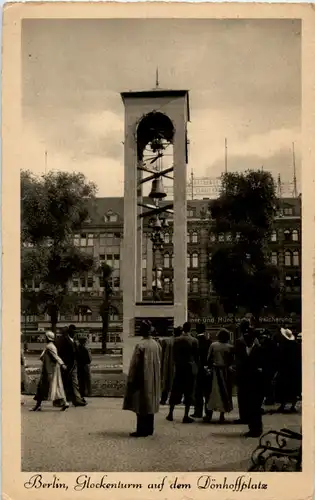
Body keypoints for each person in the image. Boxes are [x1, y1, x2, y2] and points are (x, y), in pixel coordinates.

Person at [123, 320, 161, 437]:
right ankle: (149, 428)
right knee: (150, 402)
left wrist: (131, 379)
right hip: (154, 376)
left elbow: (135, 364)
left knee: (141, 404)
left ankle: (141, 430)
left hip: (142, 378)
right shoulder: (156, 344)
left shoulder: (141, 345)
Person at [234, 319, 264, 437]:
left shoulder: (258, 349)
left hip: (255, 382)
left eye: (248, 337)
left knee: (255, 407)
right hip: (244, 381)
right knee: (247, 405)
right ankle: (252, 427)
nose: (246, 339)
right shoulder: (242, 347)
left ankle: (257, 429)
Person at [166, 322, 199, 423]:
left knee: (176, 390)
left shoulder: (176, 340)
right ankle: (185, 415)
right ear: (190, 329)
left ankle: (170, 413)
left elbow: (174, 354)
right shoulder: (194, 340)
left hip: (179, 367)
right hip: (189, 367)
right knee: (189, 391)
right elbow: (196, 356)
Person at [31, 331, 69, 411]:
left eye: (45, 337)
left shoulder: (50, 347)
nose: (44, 338)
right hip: (49, 369)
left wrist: (62, 364)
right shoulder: (50, 346)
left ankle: (38, 405)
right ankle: (63, 403)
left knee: (44, 387)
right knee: (53, 387)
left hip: (50, 371)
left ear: (48, 338)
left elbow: (56, 356)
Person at [204, 328, 234, 423]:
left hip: (215, 371)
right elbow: (231, 361)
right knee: (225, 393)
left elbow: (208, 358)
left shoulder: (213, 345)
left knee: (211, 392)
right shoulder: (230, 347)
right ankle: (222, 415)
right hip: (225, 372)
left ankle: (209, 415)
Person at [56, 325, 87, 407]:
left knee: (72, 382)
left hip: (70, 365)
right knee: (67, 382)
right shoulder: (65, 340)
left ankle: (76, 399)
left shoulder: (69, 340)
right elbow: (64, 353)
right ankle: (68, 400)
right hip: (67, 365)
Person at [274, 328, 300, 413]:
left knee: (284, 388)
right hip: (294, 370)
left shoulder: (282, 346)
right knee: (294, 389)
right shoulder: (296, 345)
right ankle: (293, 405)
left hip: (285, 370)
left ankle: (283, 405)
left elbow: (279, 358)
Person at [191, 322, 212, 418]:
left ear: (197, 330)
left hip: (198, 369)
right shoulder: (209, 342)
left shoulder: (195, 342)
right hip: (207, 370)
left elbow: (194, 357)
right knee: (208, 393)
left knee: (198, 392)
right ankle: (208, 413)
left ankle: (198, 412)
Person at [77, 336, 92, 402]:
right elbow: (89, 360)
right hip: (84, 367)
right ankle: (84, 394)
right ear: (85, 342)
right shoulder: (86, 349)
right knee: (85, 381)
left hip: (78, 366)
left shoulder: (77, 348)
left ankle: (80, 394)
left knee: (80, 382)